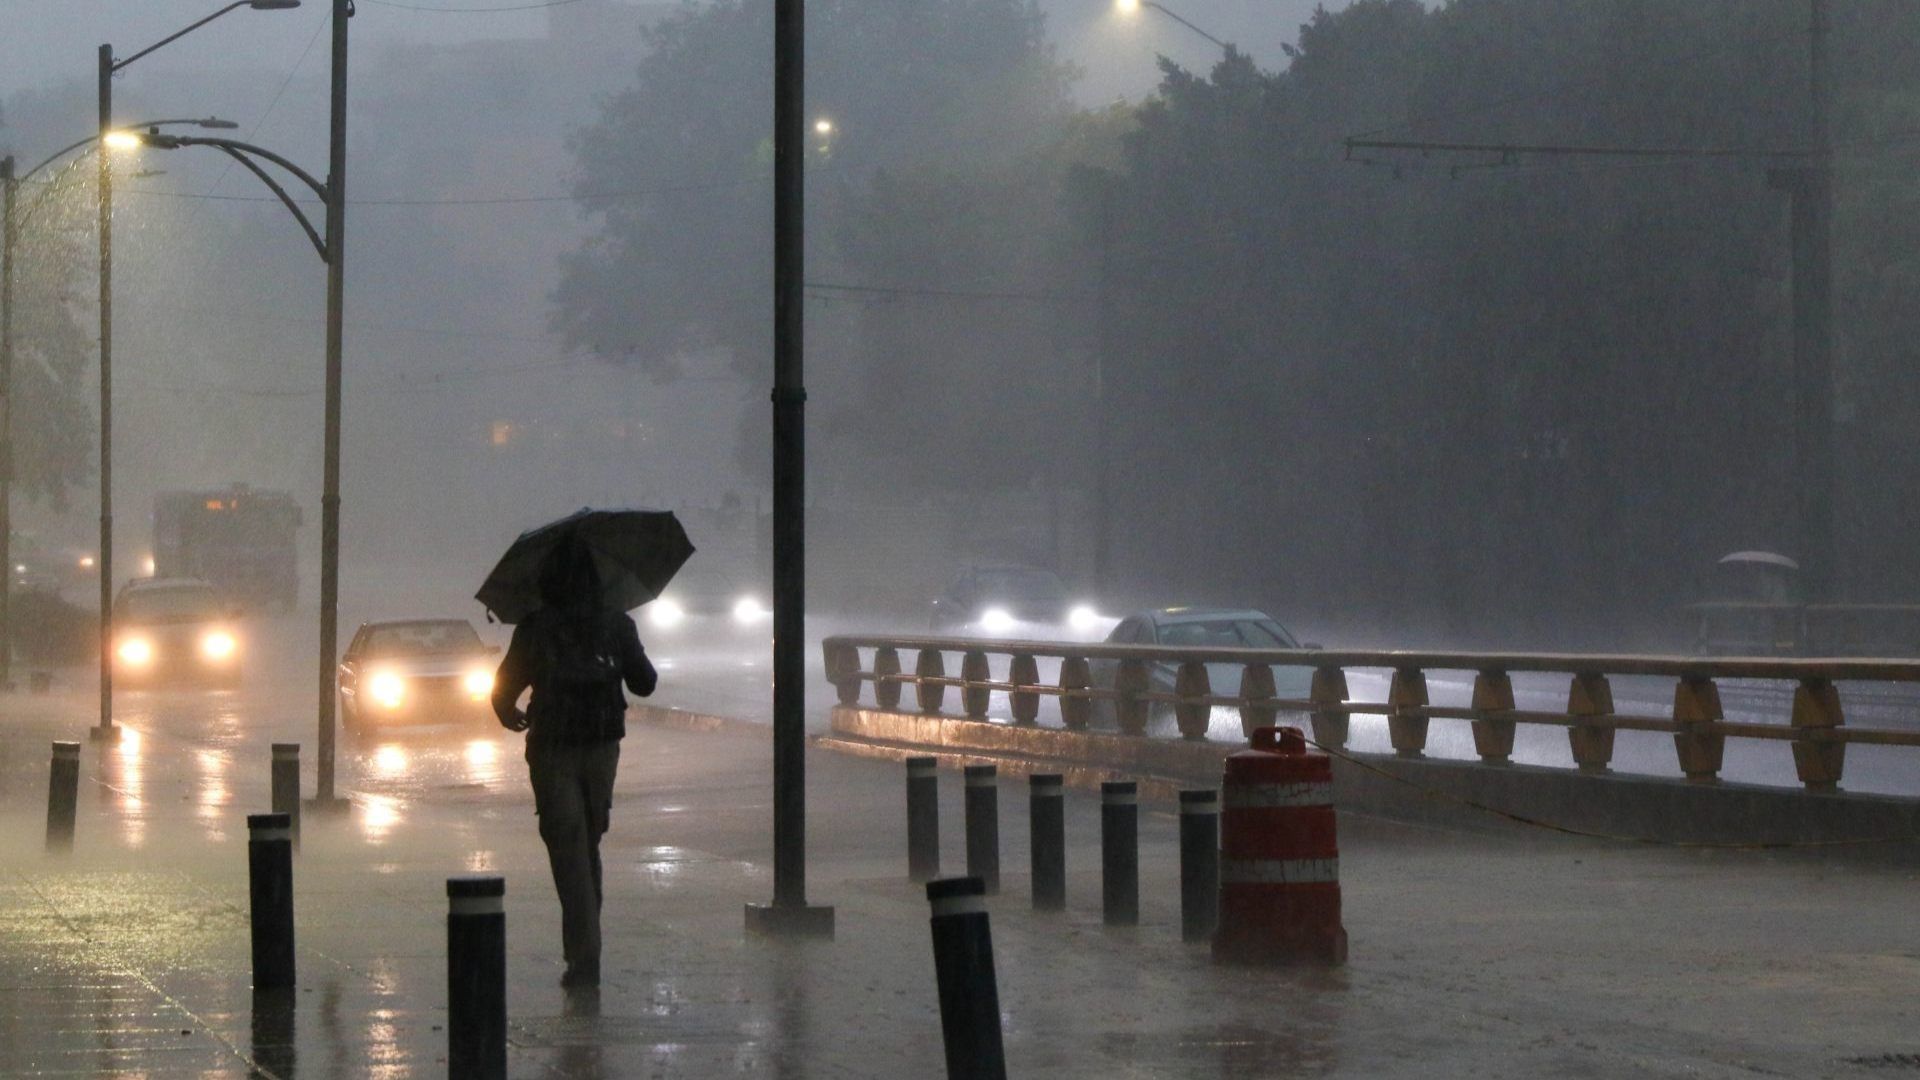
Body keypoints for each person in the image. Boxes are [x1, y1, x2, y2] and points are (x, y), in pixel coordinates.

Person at [492, 539, 657, 988]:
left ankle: (584, 955)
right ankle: (587, 948)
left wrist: (512, 714)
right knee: (587, 843)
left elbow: (503, 692)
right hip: (602, 745)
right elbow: (645, 684)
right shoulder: (617, 625)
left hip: (552, 746)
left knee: (568, 847)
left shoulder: (535, 627)